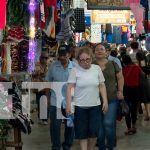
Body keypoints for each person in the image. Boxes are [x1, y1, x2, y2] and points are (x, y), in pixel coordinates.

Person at [66, 46, 108, 150]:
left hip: (95, 106)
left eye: (87, 59)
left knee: (94, 133)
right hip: (80, 107)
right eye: (82, 60)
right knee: (82, 133)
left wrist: (105, 101)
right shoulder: (75, 71)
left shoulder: (96, 69)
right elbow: (70, 88)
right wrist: (68, 104)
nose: (85, 62)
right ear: (78, 60)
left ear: (91, 58)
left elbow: (102, 85)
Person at [94, 43, 124, 150]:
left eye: (101, 49)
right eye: (97, 49)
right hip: (95, 100)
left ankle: (110, 146)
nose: (99, 51)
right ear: (94, 53)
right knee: (99, 125)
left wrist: (120, 91)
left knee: (108, 123)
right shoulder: (91, 65)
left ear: (106, 52)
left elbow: (120, 78)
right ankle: (101, 146)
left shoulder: (112, 64)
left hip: (111, 98)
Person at [45, 45, 74, 150]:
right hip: (55, 101)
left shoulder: (75, 67)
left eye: (64, 55)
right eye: (60, 55)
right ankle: (56, 146)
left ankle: (67, 145)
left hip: (71, 102)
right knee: (55, 127)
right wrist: (47, 99)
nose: (62, 57)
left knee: (70, 126)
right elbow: (48, 83)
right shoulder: (53, 66)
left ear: (69, 55)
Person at [122, 54, 142, 134]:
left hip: (126, 90)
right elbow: (142, 75)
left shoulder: (123, 69)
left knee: (127, 110)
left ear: (123, 62)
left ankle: (129, 128)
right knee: (134, 110)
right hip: (136, 90)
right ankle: (133, 126)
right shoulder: (137, 67)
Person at [32, 51, 49, 125]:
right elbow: (33, 73)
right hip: (38, 87)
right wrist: (38, 73)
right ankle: (41, 118)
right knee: (40, 103)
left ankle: (45, 119)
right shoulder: (36, 65)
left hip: (46, 87)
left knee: (46, 103)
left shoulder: (49, 65)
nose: (44, 59)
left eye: (46, 58)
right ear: (40, 58)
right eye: (43, 57)